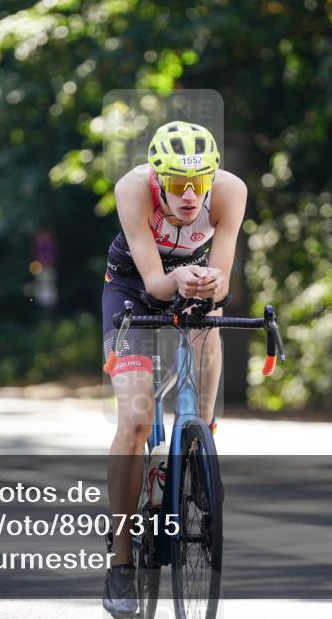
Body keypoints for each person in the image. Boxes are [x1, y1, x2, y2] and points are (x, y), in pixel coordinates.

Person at [101, 120, 247, 616]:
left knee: (214, 322)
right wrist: (180, 277)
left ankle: (200, 440)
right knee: (136, 421)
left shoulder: (230, 192)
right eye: (178, 184)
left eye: (198, 183)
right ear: (157, 178)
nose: (189, 195)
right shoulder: (132, 189)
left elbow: (223, 279)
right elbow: (153, 281)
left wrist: (210, 284)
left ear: (212, 177)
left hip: (191, 284)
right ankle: (121, 560)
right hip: (133, 290)